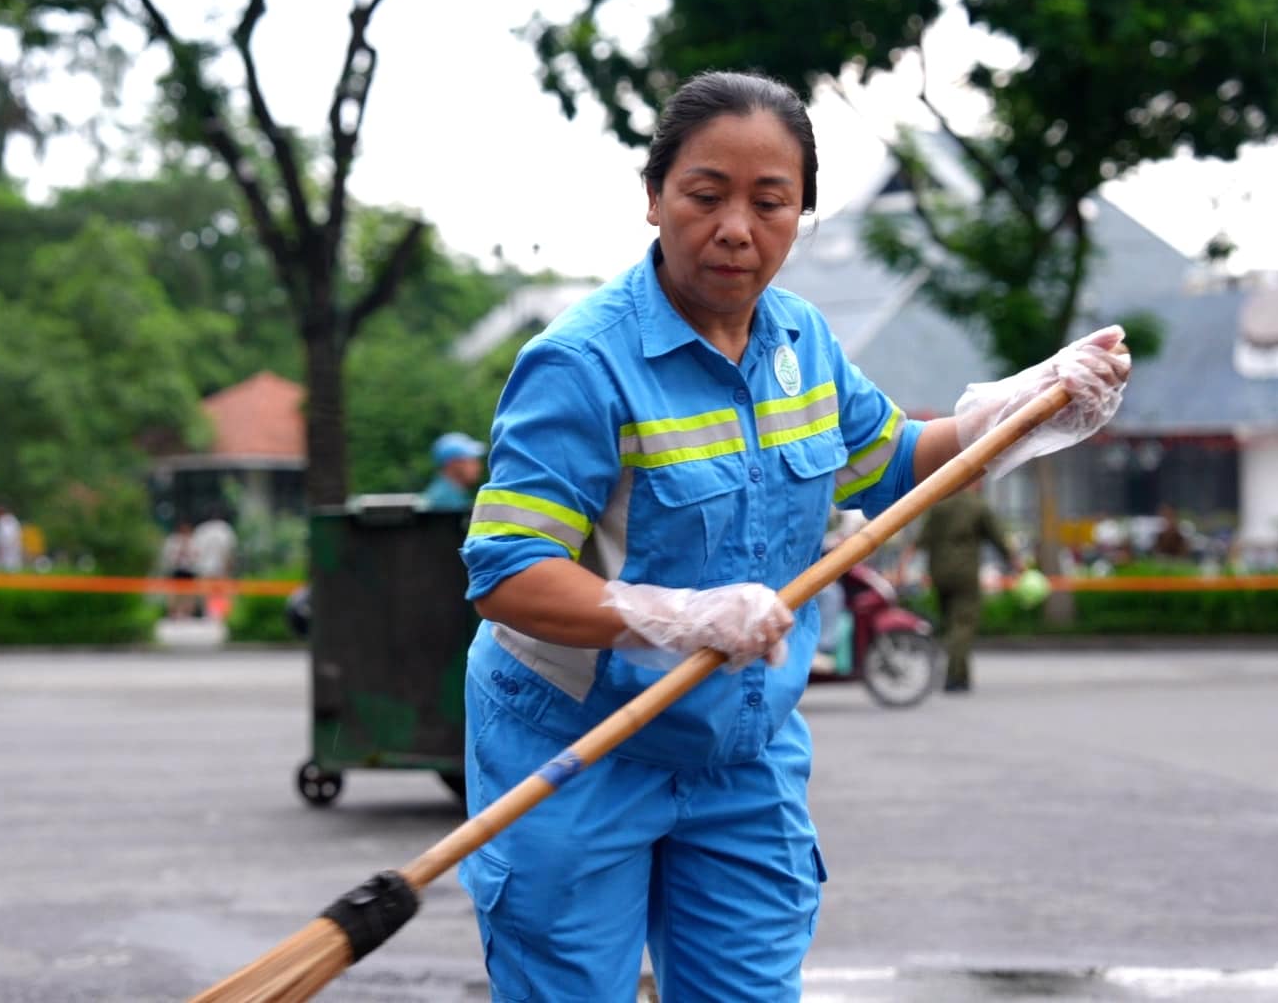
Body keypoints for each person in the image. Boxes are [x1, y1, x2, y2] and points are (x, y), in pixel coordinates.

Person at [457, 70, 1131, 1001]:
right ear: (653, 197)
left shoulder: (801, 344)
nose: (737, 228)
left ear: (802, 215)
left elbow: (893, 460)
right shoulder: (580, 362)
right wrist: (675, 616)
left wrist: (1016, 412)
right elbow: (509, 574)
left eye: (770, 202)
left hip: (740, 747)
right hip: (580, 743)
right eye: (706, 195)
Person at [904, 481, 1020, 694]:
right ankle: (955, 676)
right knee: (963, 625)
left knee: (950, 624)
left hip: (939, 574)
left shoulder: (939, 505)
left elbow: (921, 540)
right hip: (965, 574)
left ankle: (963, 675)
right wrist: (1014, 562)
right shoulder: (977, 506)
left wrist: (903, 567)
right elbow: (997, 538)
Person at [188, 512, 238, 619]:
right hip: (221, 568)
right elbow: (229, 551)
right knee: (222, 593)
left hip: (203, 568)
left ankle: (207, 615)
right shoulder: (225, 529)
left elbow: (194, 553)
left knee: (206, 594)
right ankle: (221, 616)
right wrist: (229, 568)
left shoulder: (201, 529)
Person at [423, 431, 487, 510]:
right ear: (453, 464)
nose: (478, 467)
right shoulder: (444, 500)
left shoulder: (452, 493)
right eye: (472, 461)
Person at [158, 519, 202, 619]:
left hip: (189, 570)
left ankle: (187, 613)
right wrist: (180, 551)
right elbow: (170, 557)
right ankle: (174, 613)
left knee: (189, 594)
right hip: (177, 570)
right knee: (174, 593)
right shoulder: (174, 540)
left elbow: (197, 557)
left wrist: (188, 551)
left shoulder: (194, 541)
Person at [0, 504, 23, 572]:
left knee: (5, 565)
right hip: (14, 546)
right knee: (13, 565)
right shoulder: (13, 519)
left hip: (5, 546)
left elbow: (0, 537)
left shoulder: (1, 521)